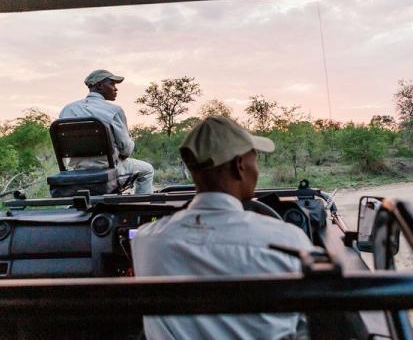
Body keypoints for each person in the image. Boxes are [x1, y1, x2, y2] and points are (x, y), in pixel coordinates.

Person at [131, 116, 313, 339]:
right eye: (254, 159)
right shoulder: (288, 240)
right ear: (239, 166)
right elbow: (311, 319)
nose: (256, 169)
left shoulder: (145, 240)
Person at [59, 69, 154, 194]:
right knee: (147, 170)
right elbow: (126, 150)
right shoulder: (113, 110)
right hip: (108, 168)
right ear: (99, 85)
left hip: (77, 169)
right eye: (112, 84)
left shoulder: (68, 109)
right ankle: (142, 208)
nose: (116, 89)